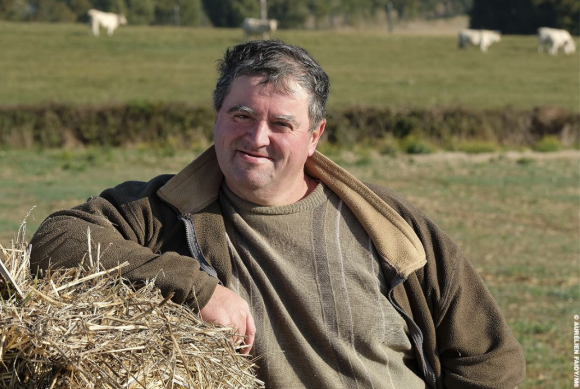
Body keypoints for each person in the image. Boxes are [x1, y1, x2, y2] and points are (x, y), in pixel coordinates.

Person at [30, 40, 525, 389]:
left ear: (315, 136)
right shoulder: (164, 211)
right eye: (241, 115)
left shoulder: (392, 229)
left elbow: (489, 358)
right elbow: (56, 240)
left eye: (281, 123)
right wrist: (195, 288)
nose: (257, 137)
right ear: (217, 118)